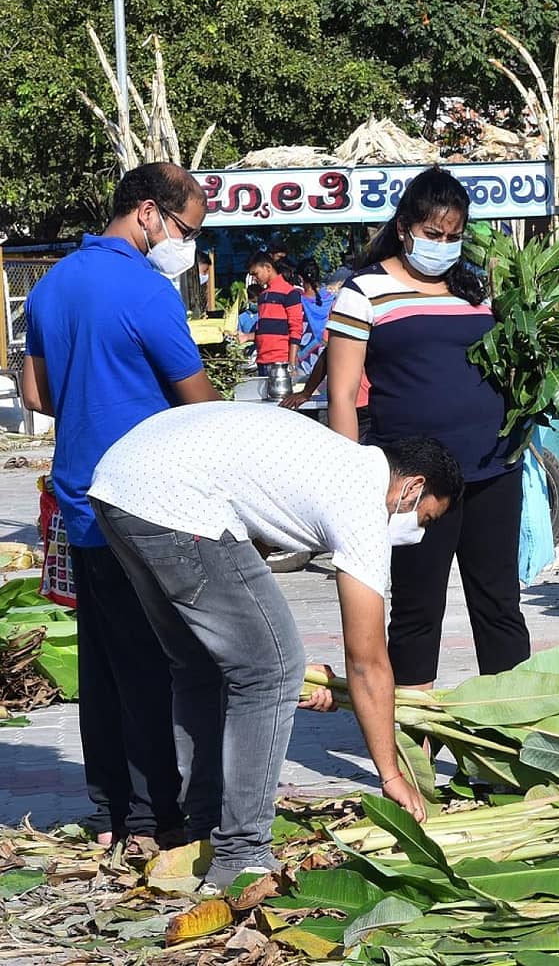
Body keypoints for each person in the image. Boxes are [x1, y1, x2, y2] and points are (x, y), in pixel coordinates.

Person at [88, 402, 463, 889]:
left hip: (120, 485)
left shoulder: (331, 460)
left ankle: (202, 825)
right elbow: (368, 661)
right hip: (174, 496)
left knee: (201, 663)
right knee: (273, 669)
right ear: (412, 487)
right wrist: (390, 774)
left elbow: (244, 565)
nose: (418, 532)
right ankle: (242, 855)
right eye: (427, 519)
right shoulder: (364, 499)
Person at [21, 162, 221, 850]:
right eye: (186, 229)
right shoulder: (147, 289)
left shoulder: (49, 288)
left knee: (103, 665)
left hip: (79, 499)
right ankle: (151, 819)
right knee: (151, 666)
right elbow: (197, 398)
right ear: (147, 213)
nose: (186, 245)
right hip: (146, 502)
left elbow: (36, 398)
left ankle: (109, 812)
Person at [325, 166, 536, 689]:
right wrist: (350, 480)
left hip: (493, 466)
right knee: (418, 613)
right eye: (433, 234)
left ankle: (511, 739)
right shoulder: (363, 292)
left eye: (453, 236)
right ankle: (414, 751)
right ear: (404, 228)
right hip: (415, 481)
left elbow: (517, 361)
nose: (443, 245)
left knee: (500, 607)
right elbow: (343, 395)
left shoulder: (481, 290)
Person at [246, 252, 304, 376]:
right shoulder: (262, 296)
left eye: (256, 274)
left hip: (280, 361)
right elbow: (266, 329)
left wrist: (291, 364)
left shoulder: (289, 293)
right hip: (262, 359)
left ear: (268, 268)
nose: (255, 279)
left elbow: (296, 328)